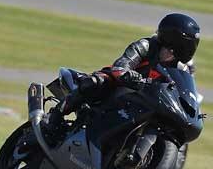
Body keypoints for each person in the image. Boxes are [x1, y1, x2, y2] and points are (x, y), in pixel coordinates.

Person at [43, 13, 200, 143]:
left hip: (147, 99)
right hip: (120, 84)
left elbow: (183, 92)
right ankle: (55, 116)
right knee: (95, 82)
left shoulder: (181, 69)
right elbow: (121, 65)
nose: (170, 55)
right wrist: (127, 74)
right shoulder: (146, 45)